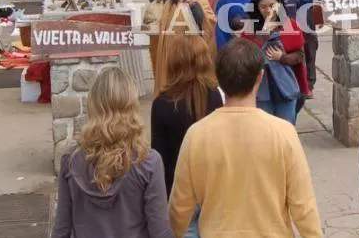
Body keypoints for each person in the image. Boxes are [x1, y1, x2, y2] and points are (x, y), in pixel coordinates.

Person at [168, 38, 322, 238]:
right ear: (260, 77)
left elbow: (180, 208)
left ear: (218, 78)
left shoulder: (197, 135)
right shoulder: (283, 133)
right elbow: (304, 205)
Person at [52, 67, 172, 238]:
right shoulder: (148, 162)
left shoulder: (70, 160)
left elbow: (61, 229)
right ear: (132, 106)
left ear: (93, 105)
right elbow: (160, 232)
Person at [151, 38, 223, 237]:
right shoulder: (215, 95)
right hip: (211, 188)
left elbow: (159, 156)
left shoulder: (162, 103)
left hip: (177, 190)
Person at [240, 0, 308, 122]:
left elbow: (300, 55)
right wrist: (265, 31)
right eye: (263, 7)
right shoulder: (250, 27)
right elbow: (247, 55)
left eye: (272, 5)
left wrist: (282, 57)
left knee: (286, 128)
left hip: (286, 87)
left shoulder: (290, 25)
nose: (268, 10)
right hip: (261, 90)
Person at [151, 0, 217, 93]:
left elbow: (209, 24)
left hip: (191, 65)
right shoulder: (169, 2)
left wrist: (194, 8)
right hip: (171, 65)